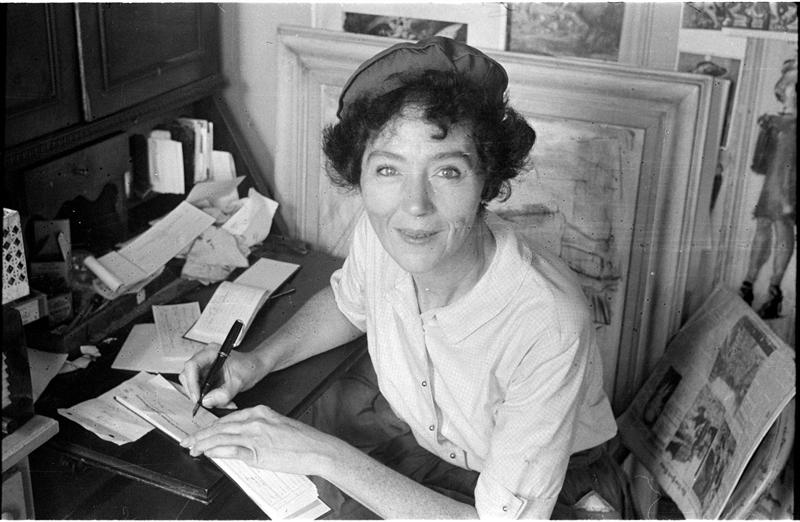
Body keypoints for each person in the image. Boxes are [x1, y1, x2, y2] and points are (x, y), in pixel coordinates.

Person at [179, 36, 629, 519]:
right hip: (433, 451)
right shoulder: (386, 234)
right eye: (388, 170)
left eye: (448, 172)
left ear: (487, 180)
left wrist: (322, 454)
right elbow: (350, 304)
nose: (414, 205)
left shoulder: (548, 320)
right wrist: (257, 361)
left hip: (545, 493)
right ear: (359, 174)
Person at [739, 57, 796, 319]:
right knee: (763, 225)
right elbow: (760, 164)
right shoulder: (772, 122)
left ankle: (774, 291)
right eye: (790, 85)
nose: (792, 91)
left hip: (791, 185)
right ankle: (748, 284)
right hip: (772, 184)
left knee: (783, 226)